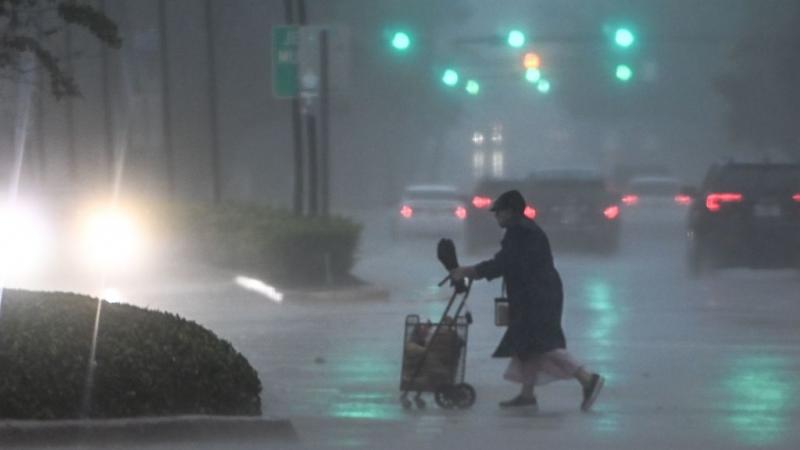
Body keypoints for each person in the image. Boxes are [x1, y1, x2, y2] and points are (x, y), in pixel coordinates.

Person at [449, 189, 604, 411]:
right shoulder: (522, 229)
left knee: (543, 343)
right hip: (535, 293)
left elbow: (503, 263)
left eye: (499, 212)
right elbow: (507, 263)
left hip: (537, 296)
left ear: (510, 212)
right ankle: (527, 395)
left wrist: (468, 271)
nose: (496, 217)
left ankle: (587, 379)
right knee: (529, 346)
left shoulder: (521, 232)